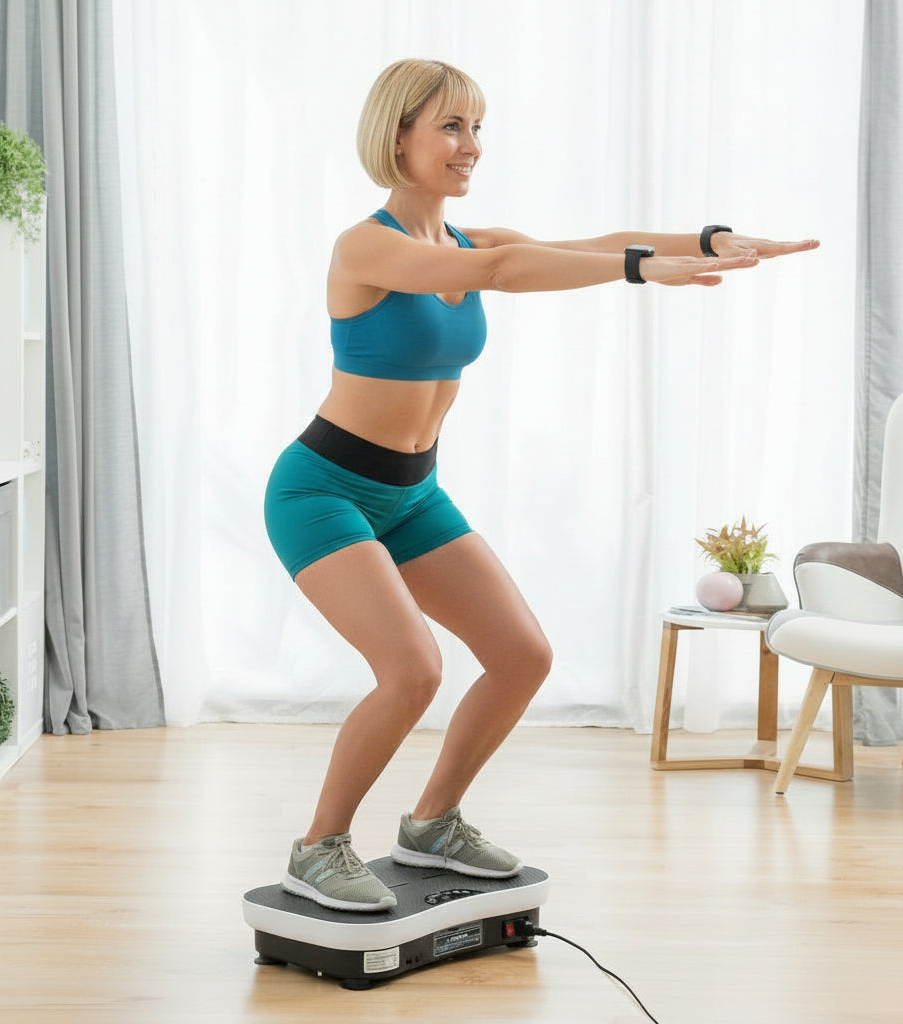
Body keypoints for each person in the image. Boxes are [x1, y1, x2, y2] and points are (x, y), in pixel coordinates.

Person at [263, 58, 818, 912]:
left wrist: (707, 243)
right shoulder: (366, 246)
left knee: (522, 656)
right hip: (323, 489)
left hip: (412, 492)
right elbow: (505, 275)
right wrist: (639, 271)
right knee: (412, 669)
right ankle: (319, 844)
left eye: (478, 127)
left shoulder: (467, 239)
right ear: (398, 135)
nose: (471, 146)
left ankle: (434, 824)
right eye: (452, 126)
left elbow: (578, 246)